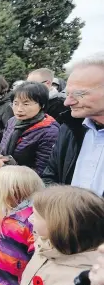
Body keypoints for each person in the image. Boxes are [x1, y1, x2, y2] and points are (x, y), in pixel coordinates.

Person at [17, 186, 104, 285]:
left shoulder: (78, 284)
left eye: (36, 215)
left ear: (56, 226)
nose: (30, 218)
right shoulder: (45, 246)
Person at [42, 55, 104, 195]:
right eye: (68, 94)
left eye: (79, 94)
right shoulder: (69, 128)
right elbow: (51, 177)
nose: (67, 102)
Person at [0, 82, 60, 175]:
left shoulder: (49, 132)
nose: (19, 109)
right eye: (15, 103)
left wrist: (5, 167)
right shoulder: (12, 121)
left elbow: (42, 171)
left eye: (26, 104)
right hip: (4, 179)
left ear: (42, 105)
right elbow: (2, 146)